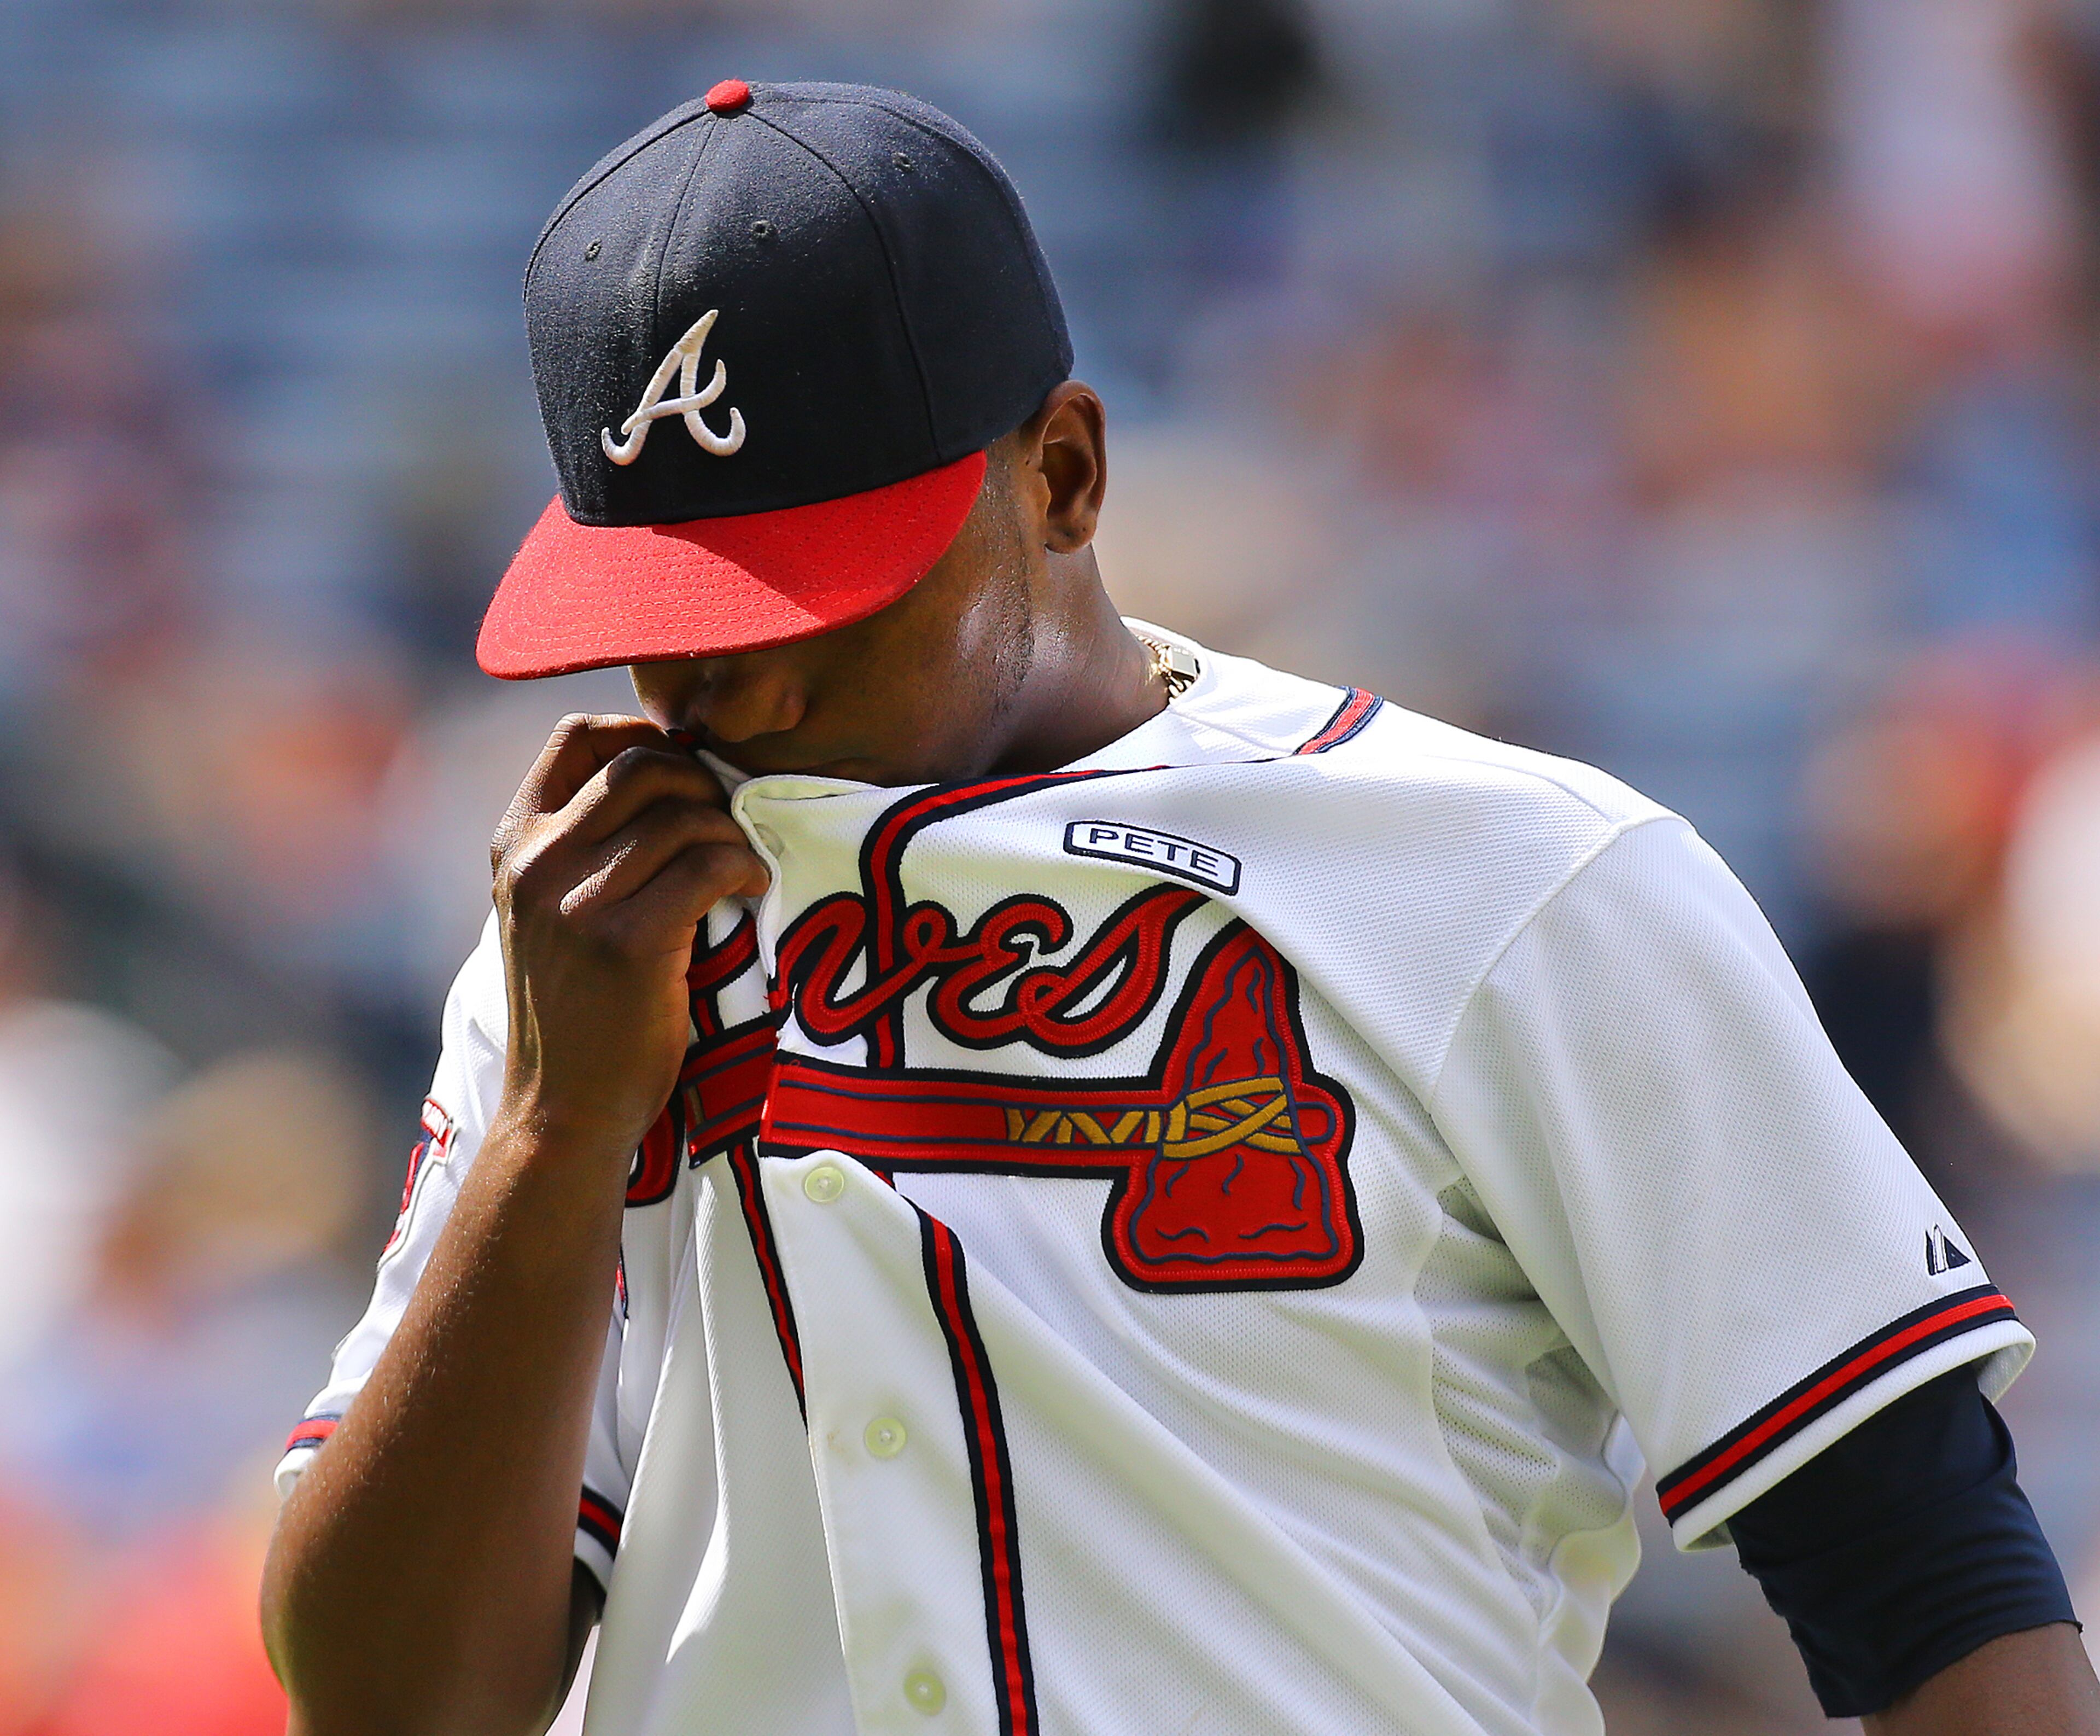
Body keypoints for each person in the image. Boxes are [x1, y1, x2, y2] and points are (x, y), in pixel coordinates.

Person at [260, 80, 2098, 1736]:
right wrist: (559, 1126)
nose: (740, 693)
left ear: (1061, 473)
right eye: (676, 624)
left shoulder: (1512, 881)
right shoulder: (585, 950)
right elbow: (388, 1700)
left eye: (820, 596)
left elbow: (1920, 1573)